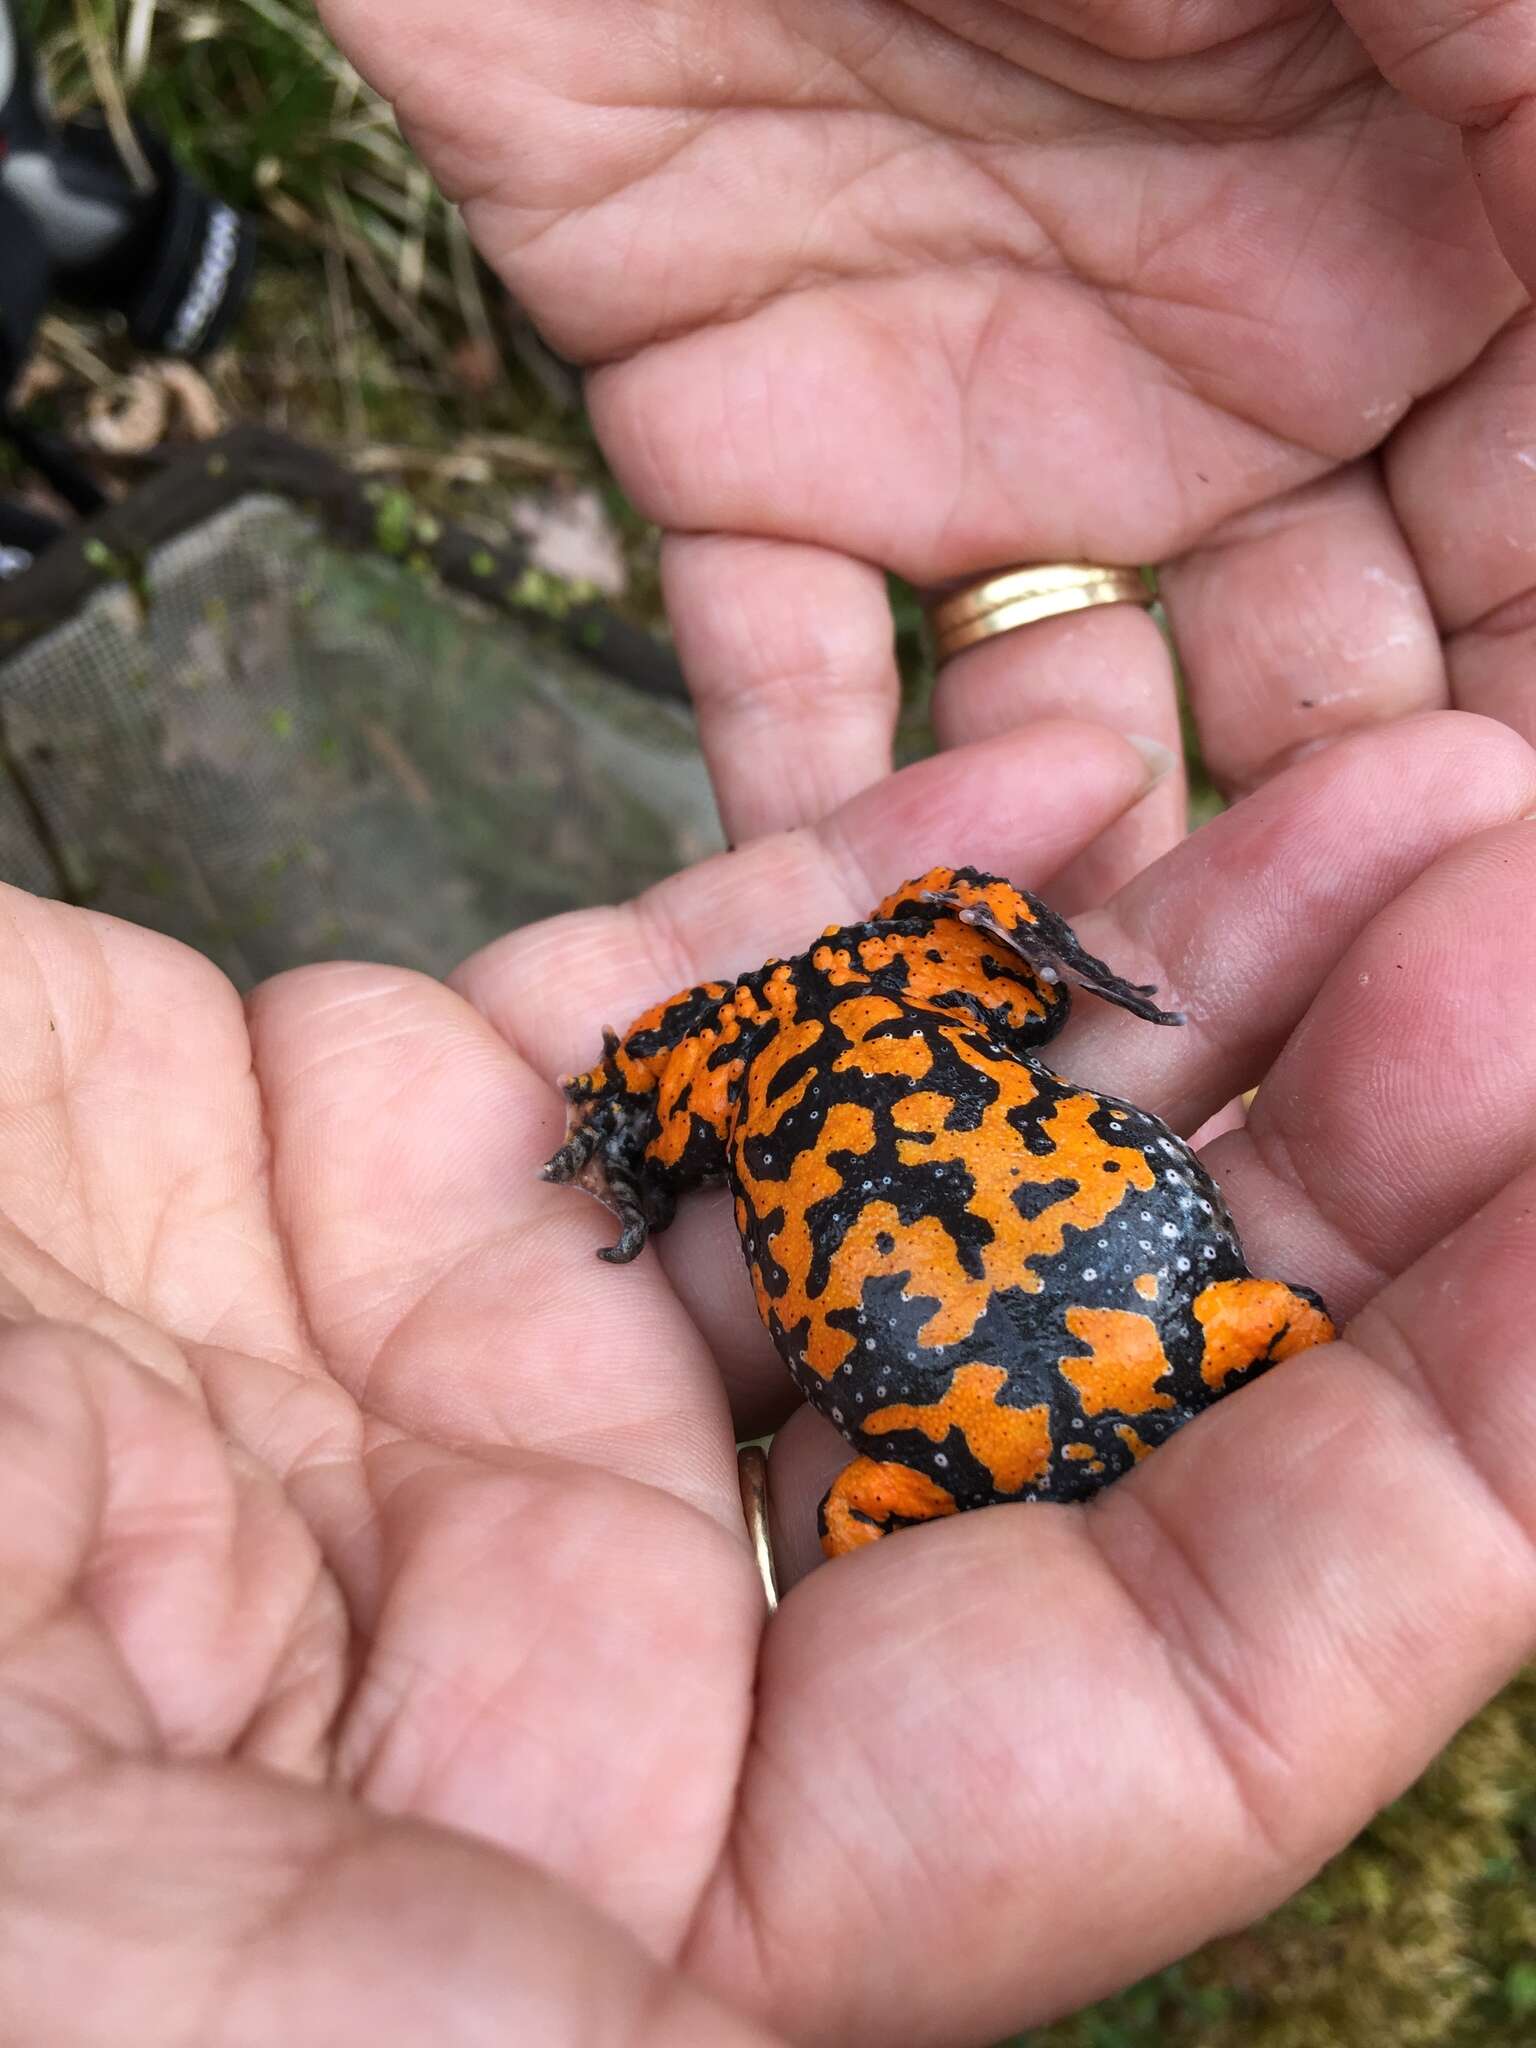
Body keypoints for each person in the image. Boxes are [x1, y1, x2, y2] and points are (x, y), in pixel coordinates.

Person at [3, 6, 1536, 2045]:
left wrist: (651, 1173)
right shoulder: (888, 1059)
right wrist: (1053, 1000)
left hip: (1005, 1331)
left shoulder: (777, 1086)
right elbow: (961, 977)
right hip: (1060, 1297)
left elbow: (819, 1103)